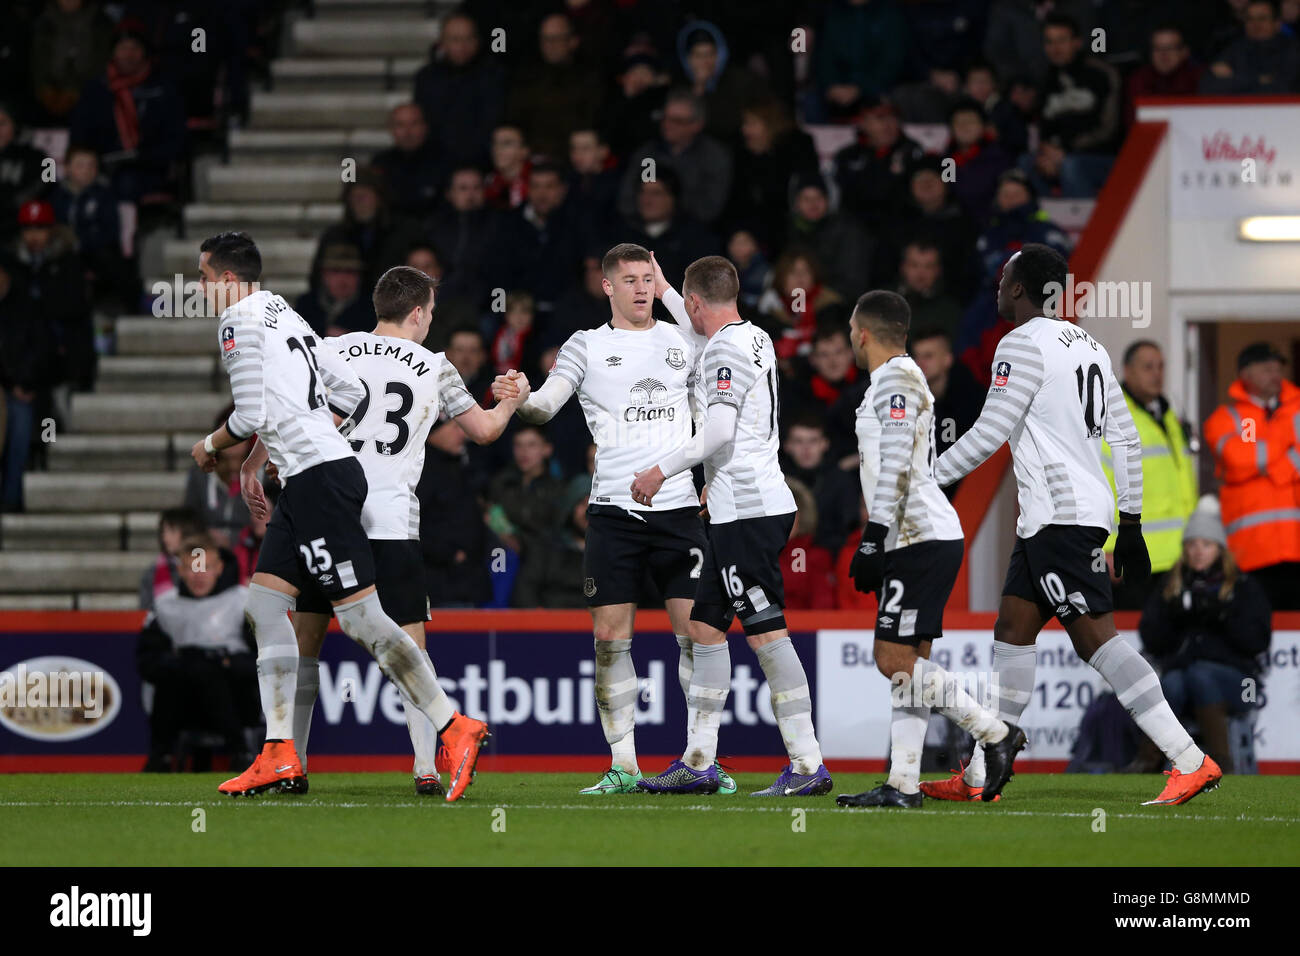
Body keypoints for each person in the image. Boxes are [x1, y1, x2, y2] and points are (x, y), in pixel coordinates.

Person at [189, 232, 490, 801]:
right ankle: (280, 754)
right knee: (264, 605)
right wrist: (284, 449)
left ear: (227, 280)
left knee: (359, 620)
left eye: (203, 279)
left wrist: (211, 446)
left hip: (320, 482)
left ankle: (455, 726)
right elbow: (348, 396)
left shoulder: (237, 323)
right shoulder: (286, 313)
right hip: (314, 478)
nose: (201, 290)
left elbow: (251, 411)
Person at [925, 243, 1222, 807]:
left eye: (1003, 278)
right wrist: (1129, 523)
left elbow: (991, 431)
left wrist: (930, 476)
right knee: (1013, 627)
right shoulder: (1088, 345)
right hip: (1060, 517)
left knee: (1096, 641)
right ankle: (984, 773)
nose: (996, 288)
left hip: (1061, 519)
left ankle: (1189, 758)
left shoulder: (1020, 343)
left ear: (1017, 288)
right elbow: (1126, 439)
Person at [242, 265, 528, 797]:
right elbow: (486, 431)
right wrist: (511, 397)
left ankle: (292, 761)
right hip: (391, 519)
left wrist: (257, 461)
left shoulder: (332, 348)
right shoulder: (436, 367)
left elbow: (285, 408)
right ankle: (426, 767)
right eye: (431, 314)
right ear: (418, 312)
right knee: (407, 644)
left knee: (305, 638)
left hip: (324, 508)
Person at [492, 244, 733, 796]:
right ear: (607, 286)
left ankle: (700, 759)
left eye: (648, 278)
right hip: (613, 514)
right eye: (630, 280)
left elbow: (724, 353)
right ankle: (624, 764)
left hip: (678, 508)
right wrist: (521, 395)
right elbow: (544, 408)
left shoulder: (683, 339)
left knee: (695, 635)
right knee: (609, 638)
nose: (642, 288)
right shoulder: (586, 345)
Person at [630, 255, 831, 797]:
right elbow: (700, 339)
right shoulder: (752, 337)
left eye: (684, 305)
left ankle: (809, 764)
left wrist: (661, 469)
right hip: (736, 508)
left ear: (698, 305)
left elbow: (717, 433)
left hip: (749, 511)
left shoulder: (723, 350)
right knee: (704, 629)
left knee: (766, 634)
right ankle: (699, 760)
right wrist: (667, 285)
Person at [838, 290, 1025, 808]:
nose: (851, 339)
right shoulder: (900, 377)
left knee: (892, 659)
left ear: (864, 333)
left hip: (916, 536)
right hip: (921, 534)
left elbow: (897, 456)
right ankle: (902, 784)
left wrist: (874, 537)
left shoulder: (895, 376)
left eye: (853, 330)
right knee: (911, 665)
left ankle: (993, 733)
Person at [1134, 499, 1272, 773]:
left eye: (1206, 545)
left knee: (1199, 675)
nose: (1198, 552)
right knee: (1170, 682)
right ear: (1184, 549)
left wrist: (1222, 615)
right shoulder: (1171, 586)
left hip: (1242, 684)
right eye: (1192, 544)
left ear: (1219, 549)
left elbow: (1257, 642)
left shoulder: (1243, 586)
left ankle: (1221, 763)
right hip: (1185, 676)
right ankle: (1147, 762)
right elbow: (1150, 638)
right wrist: (1176, 616)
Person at [136, 531, 259, 772]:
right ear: (180, 570)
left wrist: (224, 664)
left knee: (208, 671)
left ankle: (240, 750)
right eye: (192, 568)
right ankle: (161, 755)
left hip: (235, 699)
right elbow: (146, 661)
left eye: (206, 567)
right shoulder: (165, 607)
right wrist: (184, 664)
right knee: (180, 673)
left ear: (219, 568)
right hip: (183, 700)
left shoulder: (243, 602)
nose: (199, 575)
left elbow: (263, 660)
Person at [1202, 342, 1300, 611]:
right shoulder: (1228, 418)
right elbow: (1238, 457)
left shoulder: (1298, 408)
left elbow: (1252, 457)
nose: (1275, 371)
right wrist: (1287, 446)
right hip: (1251, 552)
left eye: (1278, 366)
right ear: (1244, 374)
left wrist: (1271, 468)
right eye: (1265, 366)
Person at [1102, 341, 1197, 609]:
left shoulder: (1167, 417)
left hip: (1176, 557)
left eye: (1160, 366)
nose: (1157, 374)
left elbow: (1183, 484)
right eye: (1147, 367)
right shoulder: (1114, 418)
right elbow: (1102, 484)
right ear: (1128, 371)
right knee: (1135, 643)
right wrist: (1107, 546)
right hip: (1135, 558)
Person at [616, 89, 733, 227]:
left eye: (676, 121)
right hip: (643, 229)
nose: (667, 125)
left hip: (693, 233)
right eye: (664, 118)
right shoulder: (648, 154)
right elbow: (627, 201)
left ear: (696, 125)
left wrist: (668, 208)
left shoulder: (714, 157)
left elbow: (709, 209)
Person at [1201, 0, 1299, 94]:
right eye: (1250, 19)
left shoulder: (1293, 50)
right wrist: (1259, 79)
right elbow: (1209, 87)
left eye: (1262, 19)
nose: (1255, 24)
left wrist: (1235, 78)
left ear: (1277, 24)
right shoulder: (1234, 49)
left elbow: (1284, 88)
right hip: (1238, 109)